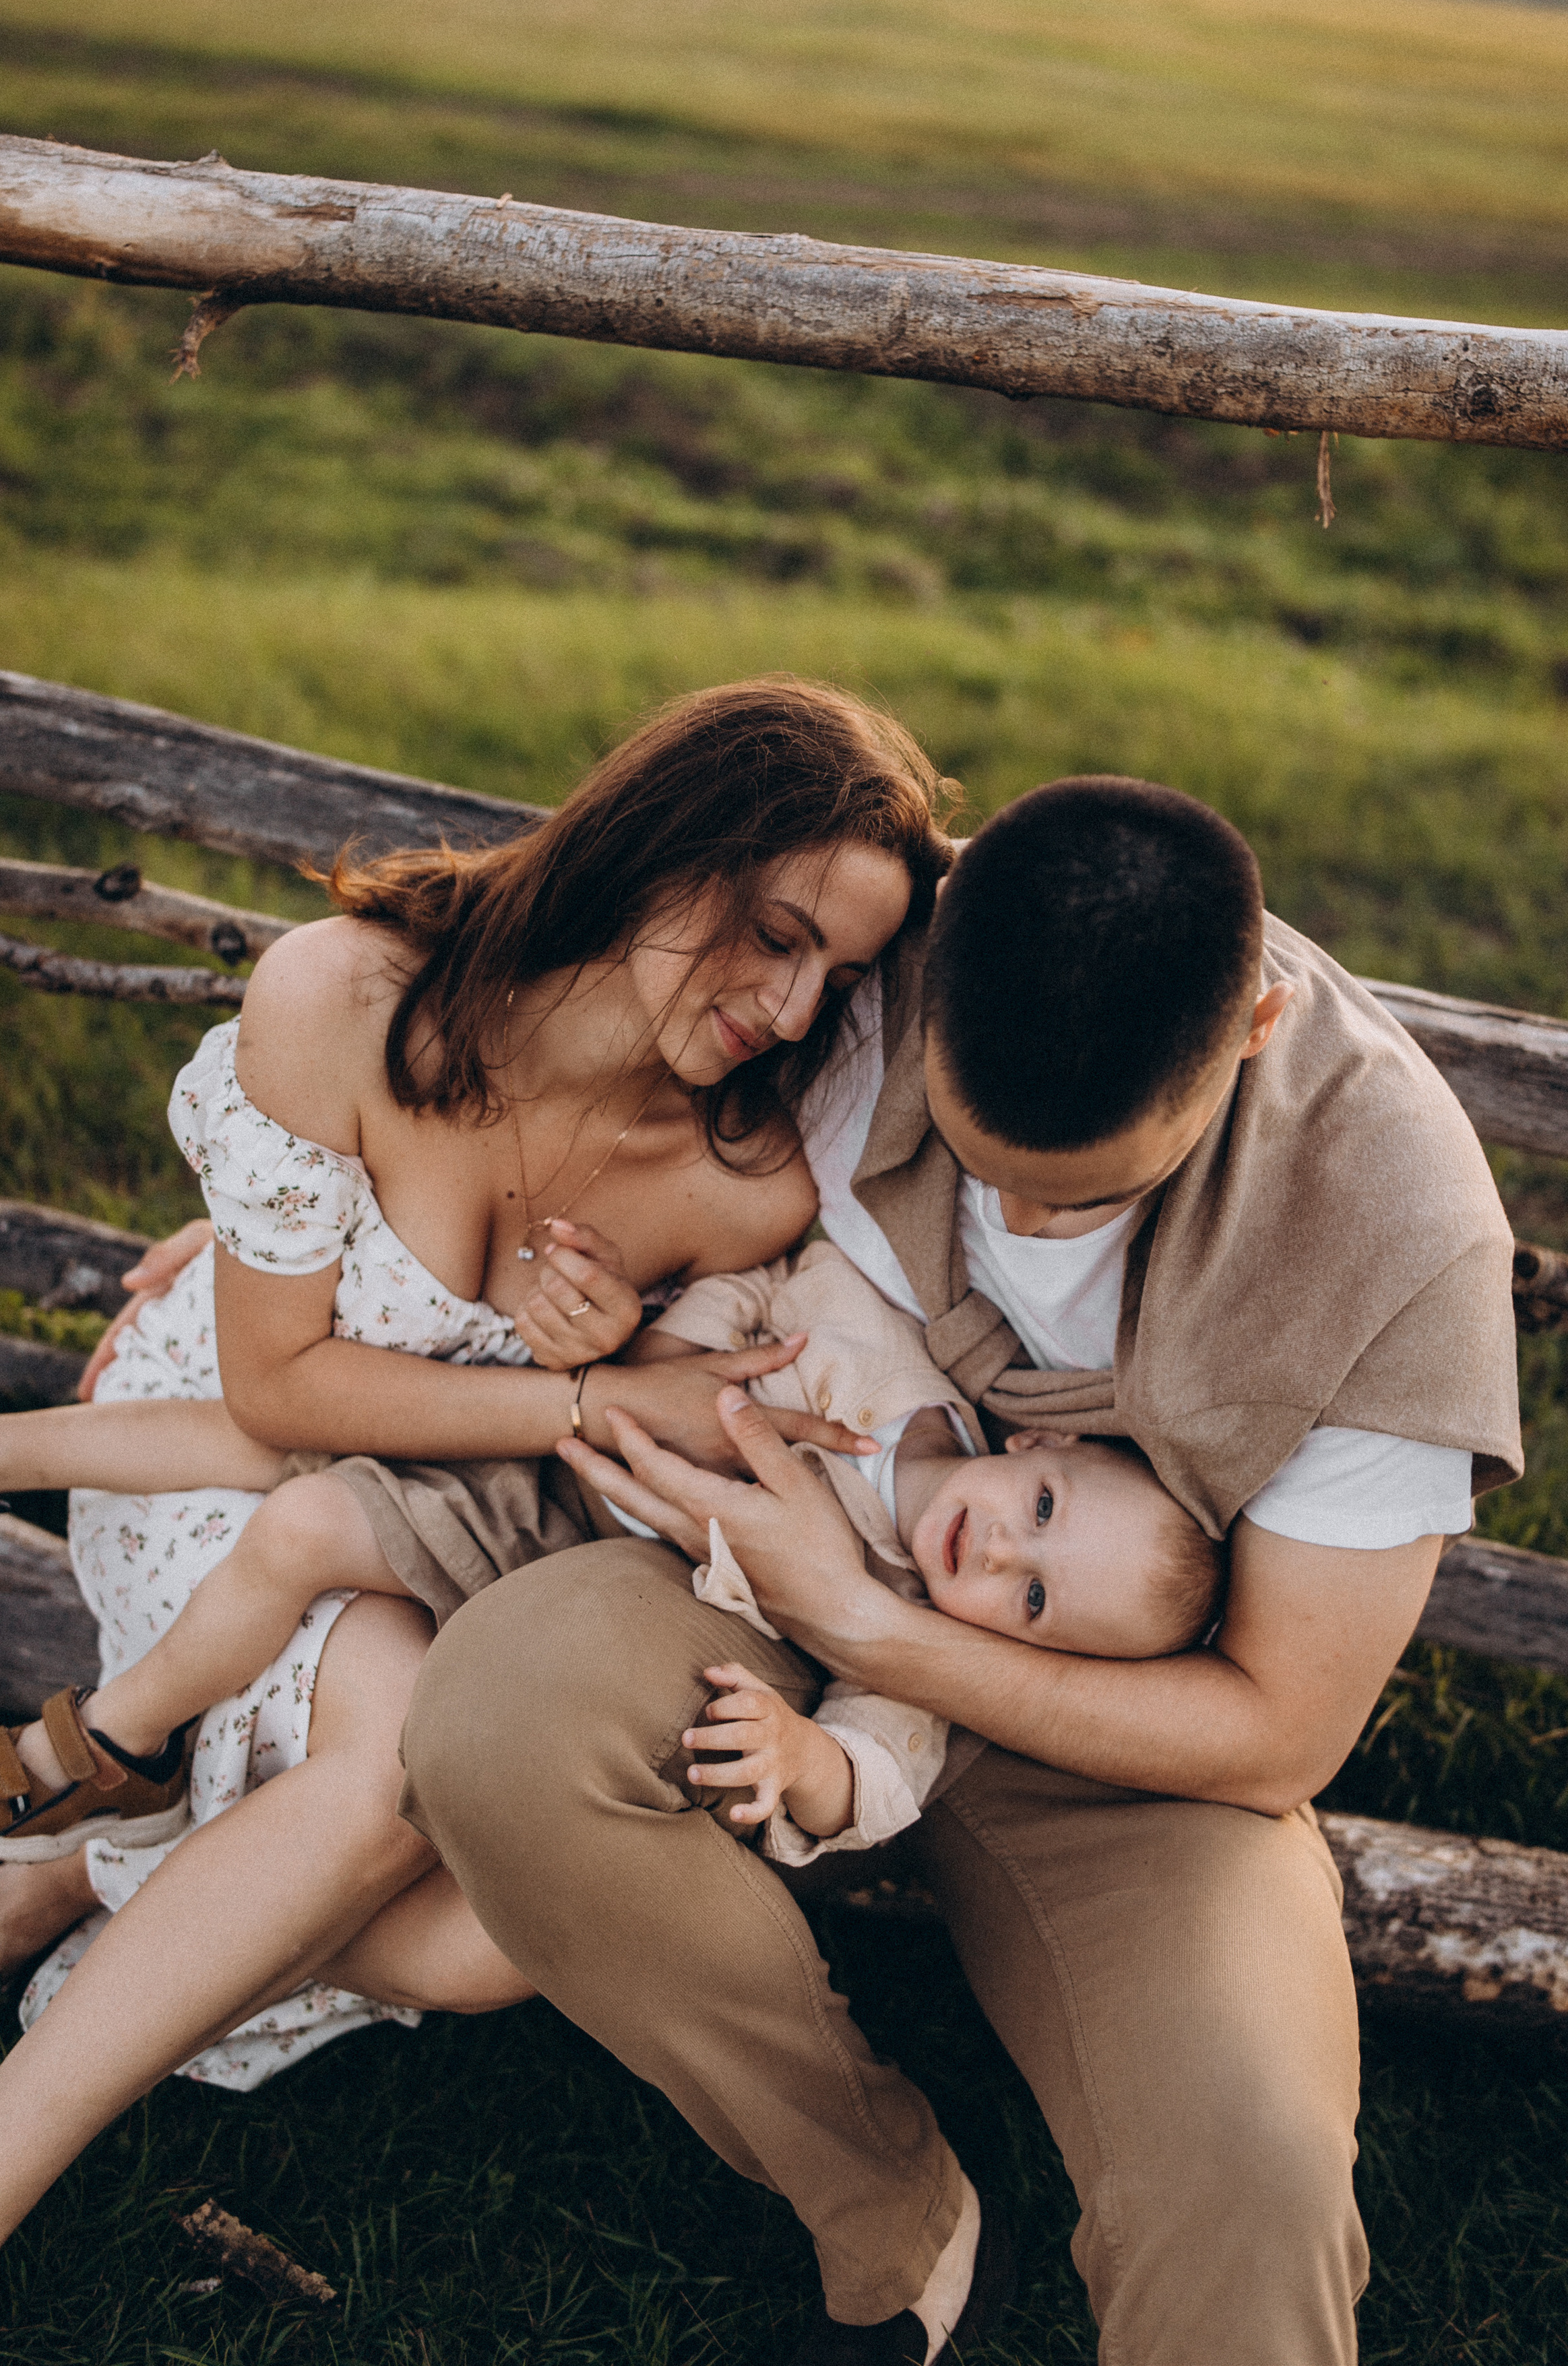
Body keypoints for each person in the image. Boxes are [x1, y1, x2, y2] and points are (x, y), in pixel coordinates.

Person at [403, 774, 1524, 2366]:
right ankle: (887, 2205)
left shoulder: (1396, 1241)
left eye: (1076, 1194)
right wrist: (302, 1235)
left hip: (1127, 1729)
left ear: (1256, 1029)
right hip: (755, 1573)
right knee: (502, 1723)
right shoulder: (861, 942)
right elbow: (491, 1020)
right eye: (974, 1154)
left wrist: (871, 1624)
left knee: (1251, 2170)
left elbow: (1278, 1729)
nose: (1002, 1216)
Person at [0, 679, 950, 2220]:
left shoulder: (739, 1180)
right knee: (392, 1780)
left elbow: (668, 1410)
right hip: (215, 1479)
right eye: (775, 935)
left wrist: (612, 1356)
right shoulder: (344, 1000)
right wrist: (573, 1399)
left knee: (497, 1934)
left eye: (834, 975)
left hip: (432, 1538)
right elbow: (280, 1389)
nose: (789, 1012)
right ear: (658, 846)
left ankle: (85, 1864)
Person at [0, 1240, 1220, 1867]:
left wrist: (804, 1760)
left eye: (1036, 1599)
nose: (1004, 1550)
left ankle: (113, 1742)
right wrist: (674, 1355)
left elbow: (881, 1775)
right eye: (1045, 1509)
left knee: (305, 1523)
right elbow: (768, 1273)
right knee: (285, 1434)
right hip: (566, 1397)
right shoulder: (889, 1351)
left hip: (561, 1542)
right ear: (1032, 1438)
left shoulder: (901, 1633)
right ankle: (28, 1452)